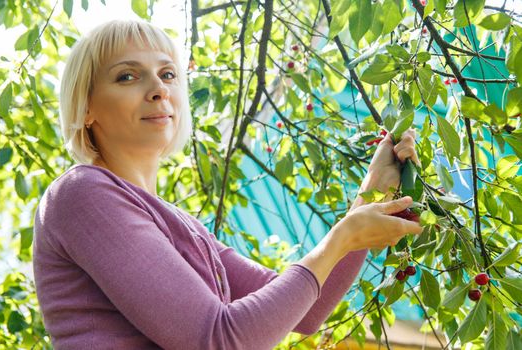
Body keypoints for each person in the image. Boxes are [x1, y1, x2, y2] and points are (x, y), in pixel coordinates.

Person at [32, 20, 423, 350]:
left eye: (167, 74)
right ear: (85, 108)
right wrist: (341, 237)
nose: (158, 89)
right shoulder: (82, 194)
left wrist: (370, 192)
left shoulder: (178, 224)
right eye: (127, 76)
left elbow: (306, 312)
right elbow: (218, 339)